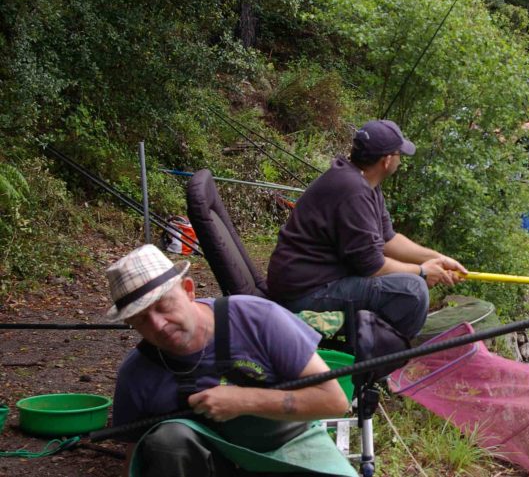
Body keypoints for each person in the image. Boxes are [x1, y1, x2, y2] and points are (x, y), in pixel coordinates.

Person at [108, 244, 354, 477]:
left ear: (188, 289)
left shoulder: (258, 318)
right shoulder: (136, 374)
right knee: (167, 440)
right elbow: (134, 457)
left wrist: (245, 401)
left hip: (289, 450)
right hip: (209, 465)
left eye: (164, 305)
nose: (158, 325)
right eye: (141, 319)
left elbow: (334, 401)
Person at [267, 119, 466, 339]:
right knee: (413, 290)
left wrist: (438, 258)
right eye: (400, 154)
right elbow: (373, 266)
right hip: (303, 294)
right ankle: (378, 364)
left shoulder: (365, 183)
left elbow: (389, 240)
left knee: (410, 283)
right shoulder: (353, 191)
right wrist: (422, 271)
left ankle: (369, 346)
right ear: (387, 160)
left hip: (318, 282)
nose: (401, 160)